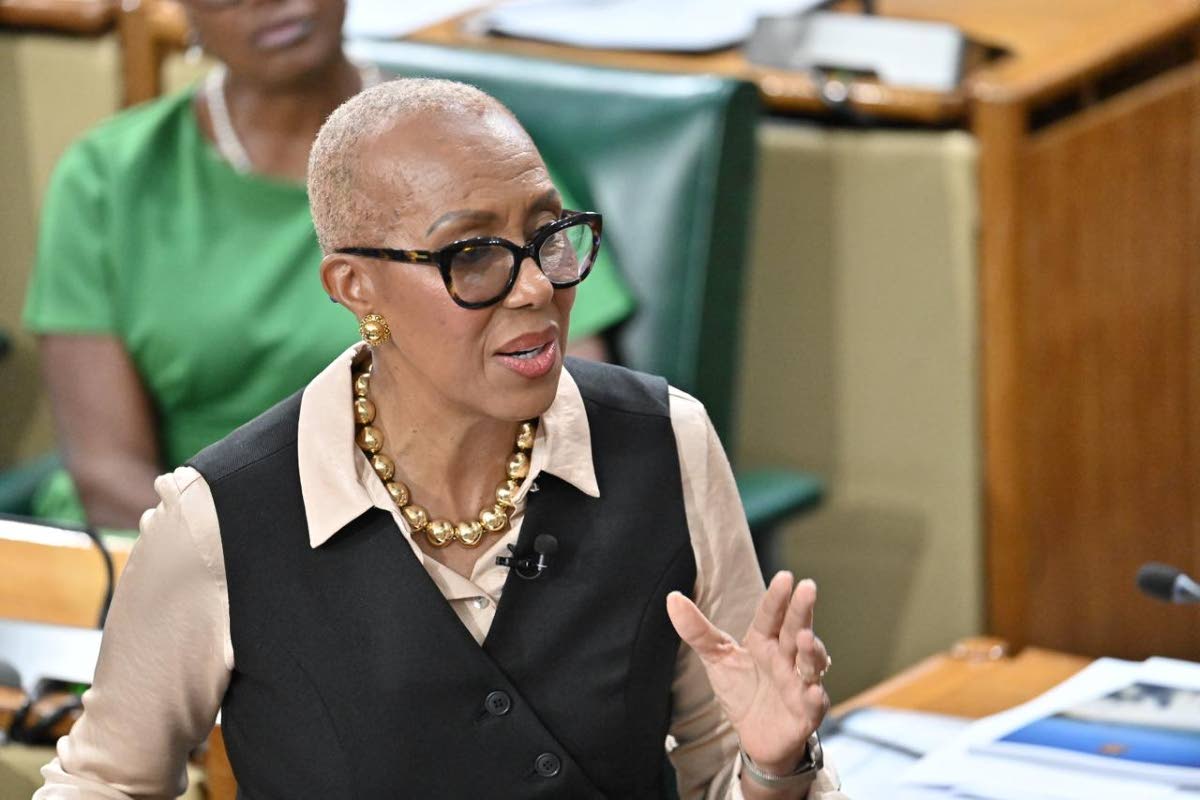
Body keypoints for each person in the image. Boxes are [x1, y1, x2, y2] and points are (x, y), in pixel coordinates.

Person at [36, 79, 844, 799]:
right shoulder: (220, 520)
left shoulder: (668, 440)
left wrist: (777, 767)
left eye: (548, 233)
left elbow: (727, 765)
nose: (534, 287)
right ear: (355, 287)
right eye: (473, 255)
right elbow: (104, 782)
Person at [21, 0, 632, 531]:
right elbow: (107, 472)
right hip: (171, 544)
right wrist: (249, 575)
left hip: (432, 543)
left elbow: (568, 401)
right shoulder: (108, 178)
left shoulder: (473, 151)